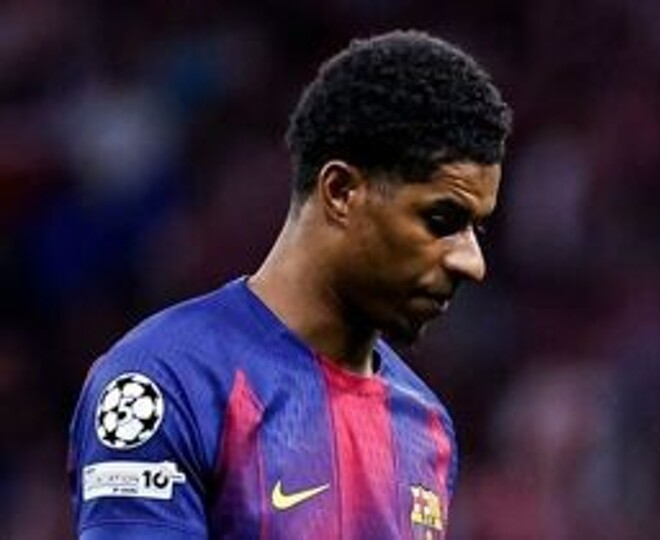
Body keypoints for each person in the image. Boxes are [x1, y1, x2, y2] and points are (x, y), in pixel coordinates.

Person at [68, 29, 512, 540]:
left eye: (476, 229)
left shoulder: (427, 425)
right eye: (441, 219)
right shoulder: (164, 381)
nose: (472, 262)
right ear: (340, 191)